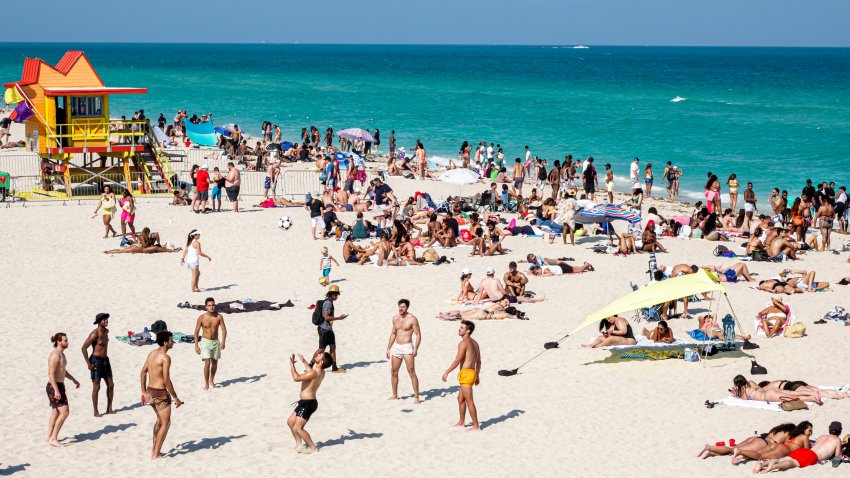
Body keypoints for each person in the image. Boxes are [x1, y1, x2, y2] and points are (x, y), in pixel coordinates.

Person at [140, 331, 183, 460]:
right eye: (171, 340)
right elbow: (166, 380)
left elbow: (143, 373)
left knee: (159, 420)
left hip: (150, 391)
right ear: (165, 342)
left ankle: (154, 448)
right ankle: (156, 453)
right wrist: (176, 398)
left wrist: (144, 392)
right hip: (160, 393)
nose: (173, 342)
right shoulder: (165, 358)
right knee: (166, 423)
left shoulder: (151, 354)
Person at [753, 421, 844, 473]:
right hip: (812, 456)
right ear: (840, 431)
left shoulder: (822, 437)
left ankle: (763, 463)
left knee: (783, 459)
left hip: (802, 451)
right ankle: (772, 467)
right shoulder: (837, 440)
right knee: (792, 463)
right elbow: (838, 456)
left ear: (829, 429)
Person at [287, 350, 332, 454]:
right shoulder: (321, 371)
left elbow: (296, 378)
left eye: (320, 355)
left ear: (321, 362)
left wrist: (291, 365)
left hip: (308, 404)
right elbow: (311, 372)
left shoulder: (314, 372)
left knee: (298, 427)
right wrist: (304, 361)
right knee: (290, 422)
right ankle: (299, 444)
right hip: (305, 402)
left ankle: (313, 448)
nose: (318, 354)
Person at [442, 320, 482, 430]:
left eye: (462, 328)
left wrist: (447, 372)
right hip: (471, 373)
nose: (459, 329)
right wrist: (477, 375)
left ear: (468, 331)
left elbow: (457, 360)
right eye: (460, 327)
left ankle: (476, 426)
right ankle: (461, 422)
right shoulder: (475, 343)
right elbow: (478, 361)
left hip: (466, 374)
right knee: (460, 399)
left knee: (469, 401)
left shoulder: (463, 343)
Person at [46, 333, 80, 447]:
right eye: (65, 340)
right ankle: (54, 438)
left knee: (56, 411)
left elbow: (63, 371)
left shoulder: (62, 355)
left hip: (60, 386)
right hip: (54, 386)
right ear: (59, 341)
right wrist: (56, 390)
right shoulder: (55, 355)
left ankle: (49, 436)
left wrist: (73, 379)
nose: (67, 342)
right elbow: (51, 374)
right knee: (65, 412)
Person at [386, 299, 421, 403]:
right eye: (400, 306)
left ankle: (416, 397)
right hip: (397, 347)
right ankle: (395, 395)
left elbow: (418, 334)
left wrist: (416, 348)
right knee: (393, 371)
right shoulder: (395, 318)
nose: (401, 309)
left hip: (407, 347)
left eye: (403, 307)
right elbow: (393, 333)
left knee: (411, 371)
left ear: (407, 308)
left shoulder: (412, 319)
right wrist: (388, 348)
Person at [81, 313, 114, 416]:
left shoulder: (106, 331)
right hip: (96, 361)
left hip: (105, 360)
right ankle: (96, 411)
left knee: (111, 385)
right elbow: (83, 348)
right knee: (97, 387)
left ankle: (109, 409)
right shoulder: (95, 334)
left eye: (107, 319)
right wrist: (88, 363)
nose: (106, 321)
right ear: (99, 322)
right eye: (104, 320)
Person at [194, 297, 228, 390]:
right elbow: (196, 332)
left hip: (216, 342)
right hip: (205, 342)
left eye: (213, 305)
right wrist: (196, 345)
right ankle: (206, 383)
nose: (212, 307)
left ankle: (211, 379)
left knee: (215, 363)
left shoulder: (219, 316)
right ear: (206, 307)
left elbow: (224, 330)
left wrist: (223, 342)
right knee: (207, 363)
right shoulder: (201, 318)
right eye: (209, 305)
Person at [316, 285, 346, 373]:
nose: (337, 296)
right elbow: (326, 317)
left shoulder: (330, 302)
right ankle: (310, 365)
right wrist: (339, 318)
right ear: (332, 294)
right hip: (324, 329)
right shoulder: (328, 303)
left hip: (328, 329)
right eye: (336, 294)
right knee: (321, 349)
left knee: (333, 347)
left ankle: (334, 367)